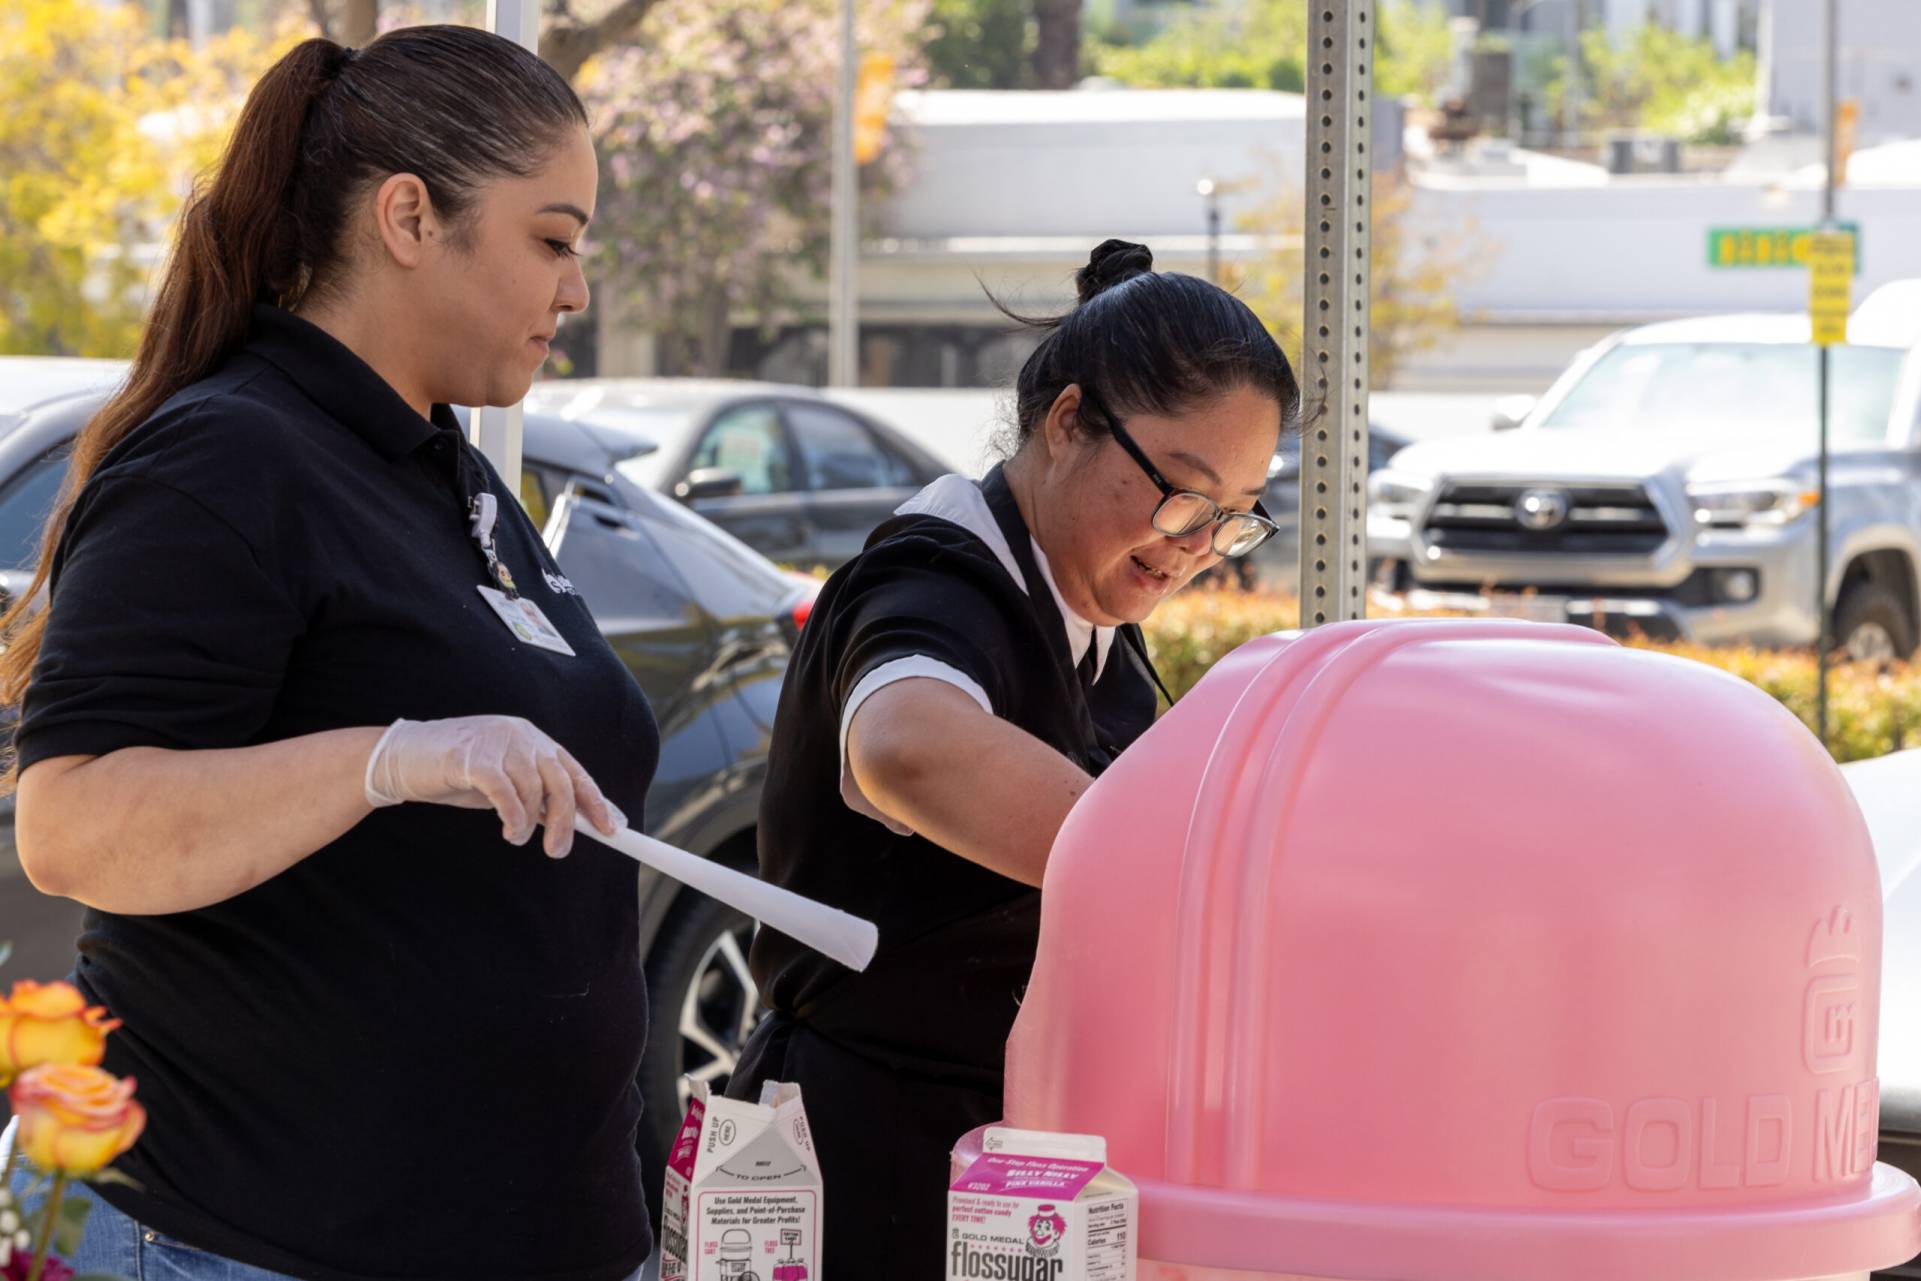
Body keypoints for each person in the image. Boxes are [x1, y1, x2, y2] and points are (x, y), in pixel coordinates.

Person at [3, 28, 659, 1281]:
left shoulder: (440, 468)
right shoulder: (227, 458)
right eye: (552, 239)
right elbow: (72, 822)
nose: (574, 291)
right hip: (255, 1238)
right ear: (410, 216)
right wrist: (391, 759)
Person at [728, 239, 1302, 1278]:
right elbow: (904, 740)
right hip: (867, 1163)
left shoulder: (1092, 605)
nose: (1192, 546)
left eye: (1229, 522)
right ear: (1069, 421)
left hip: (1002, 1166)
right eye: (1180, 493)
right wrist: (1185, 880)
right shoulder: (934, 577)